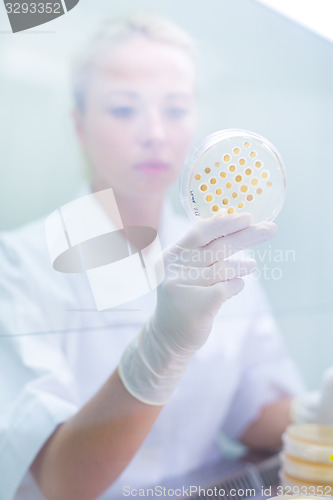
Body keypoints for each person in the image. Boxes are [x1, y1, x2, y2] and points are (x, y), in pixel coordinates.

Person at [0, 13, 330, 500]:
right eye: (123, 109)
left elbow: (255, 413)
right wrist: (162, 348)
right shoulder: (18, 267)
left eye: (175, 109)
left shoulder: (218, 250)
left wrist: (316, 411)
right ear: (79, 124)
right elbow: (61, 481)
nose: (154, 132)